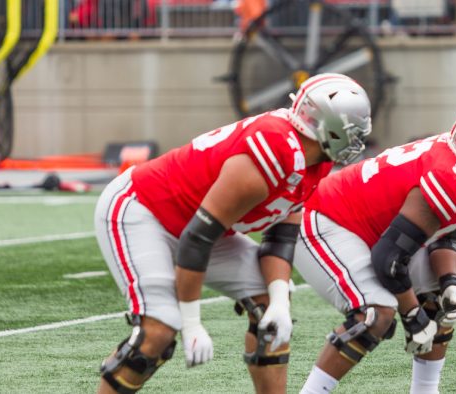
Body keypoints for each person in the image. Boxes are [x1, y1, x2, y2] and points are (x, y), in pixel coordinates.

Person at [93, 73, 372, 394]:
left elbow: (281, 237)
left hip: (197, 225)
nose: (356, 142)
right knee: (158, 332)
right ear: (329, 127)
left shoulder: (313, 159)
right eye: (353, 132)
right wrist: (192, 322)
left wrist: (279, 300)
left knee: (268, 306)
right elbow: (197, 238)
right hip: (143, 211)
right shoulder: (272, 151)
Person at [295, 103, 456, 394]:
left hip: (379, 229)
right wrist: (411, 315)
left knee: (442, 302)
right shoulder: (448, 175)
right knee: (374, 315)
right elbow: (389, 261)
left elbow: (445, 232)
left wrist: (451, 280)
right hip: (329, 221)